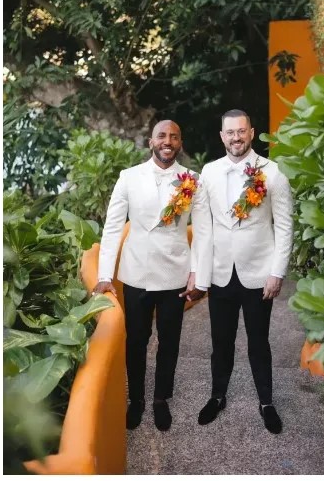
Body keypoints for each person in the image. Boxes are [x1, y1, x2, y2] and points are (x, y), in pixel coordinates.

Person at [94, 120, 211, 431]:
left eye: (174, 136)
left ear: (180, 142)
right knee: (137, 340)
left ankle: (160, 400)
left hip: (175, 274)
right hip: (136, 274)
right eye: (162, 135)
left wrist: (198, 275)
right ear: (151, 142)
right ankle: (137, 401)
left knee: (169, 341)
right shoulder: (129, 177)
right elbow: (112, 228)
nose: (167, 141)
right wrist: (105, 274)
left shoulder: (194, 181)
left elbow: (202, 232)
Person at [192, 109, 293, 434]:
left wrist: (277, 272)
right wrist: (199, 273)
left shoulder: (272, 173)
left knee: (259, 342)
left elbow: (285, 226)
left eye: (241, 131)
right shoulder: (207, 173)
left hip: (258, 275)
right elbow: (202, 228)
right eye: (229, 132)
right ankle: (217, 396)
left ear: (251, 133)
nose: (235, 137)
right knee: (220, 342)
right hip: (221, 274)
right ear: (222, 136)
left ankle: (266, 402)